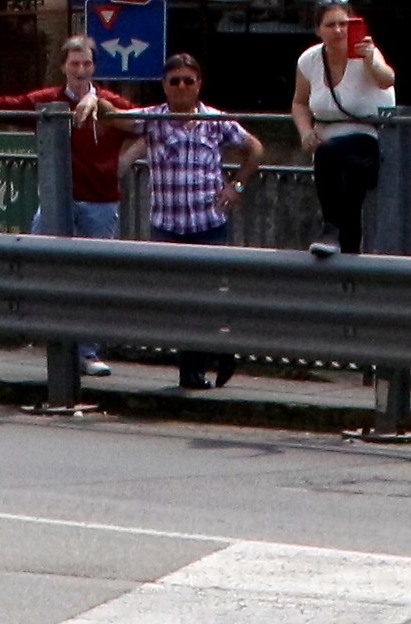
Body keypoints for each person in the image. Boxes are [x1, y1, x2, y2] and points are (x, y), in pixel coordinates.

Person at [0, 36, 134, 377]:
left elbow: (150, 125)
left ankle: (87, 352)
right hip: (58, 200)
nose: (80, 69)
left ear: (94, 67)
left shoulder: (111, 104)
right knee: (39, 261)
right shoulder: (49, 100)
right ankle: (52, 339)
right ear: (63, 67)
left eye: (86, 63)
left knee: (92, 279)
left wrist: (125, 161)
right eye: (74, 63)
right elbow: (5, 104)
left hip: (101, 202)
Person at [121, 54, 261, 390]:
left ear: (198, 83)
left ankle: (201, 366)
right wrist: (92, 102)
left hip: (208, 222)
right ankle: (203, 361)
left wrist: (236, 185)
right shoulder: (152, 119)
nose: (182, 87)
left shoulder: (215, 120)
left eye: (188, 80)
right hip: (168, 224)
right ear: (164, 86)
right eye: (174, 81)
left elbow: (255, 149)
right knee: (178, 302)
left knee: (208, 298)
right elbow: (112, 119)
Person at [291, 2, 397, 258]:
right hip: (329, 145)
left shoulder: (366, 54)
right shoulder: (309, 60)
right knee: (347, 193)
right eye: (330, 25)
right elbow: (300, 102)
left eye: (343, 24)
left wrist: (371, 59)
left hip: (365, 140)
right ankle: (347, 260)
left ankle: (330, 229)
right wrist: (306, 131)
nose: (338, 31)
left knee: (333, 157)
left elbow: (387, 79)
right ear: (319, 30)